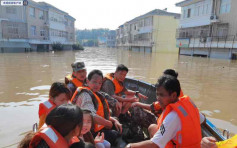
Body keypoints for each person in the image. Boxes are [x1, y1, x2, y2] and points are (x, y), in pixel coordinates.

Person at [125, 75, 202, 148]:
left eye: (161, 95)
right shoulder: (186, 103)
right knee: (153, 128)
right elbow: (202, 119)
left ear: (173, 95)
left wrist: (131, 146)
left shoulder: (173, 117)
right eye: (157, 94)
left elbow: (154, 144)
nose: (158, 98)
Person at [71, 70, 125, 147]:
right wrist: (108, 123)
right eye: (94, 82)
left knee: (116, 123)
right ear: (87, 81)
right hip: (86, 131)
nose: (97, 85)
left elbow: (100, 113)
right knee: (116, 134)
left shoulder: (94, 92)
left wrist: (114, 120)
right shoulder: (86, 95)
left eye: (100, 83)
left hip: (94, 127)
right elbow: (91, 116)